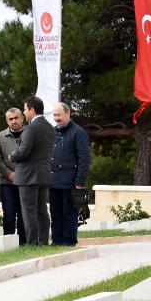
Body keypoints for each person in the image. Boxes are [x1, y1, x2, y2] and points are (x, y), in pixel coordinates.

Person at [9, 96, 56, 246]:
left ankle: (32, 243)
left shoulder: (31, 128)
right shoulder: (50, 127)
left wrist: (11, 156)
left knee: (29, 211)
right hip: (43, 174)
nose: (24, 112)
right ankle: (42, 241)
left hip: (28, 176)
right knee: (42, 210)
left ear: (32, 110)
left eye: (24, 109)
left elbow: (23, 151)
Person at [50, 103, 90, 246]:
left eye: (59, 115)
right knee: (55, 214)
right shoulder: (53, 132)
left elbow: (84, 159)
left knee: (69, 213)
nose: (56, 118)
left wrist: (80, 181)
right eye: (54, 115)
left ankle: (69, 242)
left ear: (68, 113)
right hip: (53, 181)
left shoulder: (79, 133)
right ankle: (56, 241)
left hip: (70, 182)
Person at [0, 108, 27, 245]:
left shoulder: (30, 134)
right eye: (11, 119)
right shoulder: (0, 137)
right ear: (7, 121)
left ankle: (23, 243)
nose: (14, 121)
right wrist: (9, 174)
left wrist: (21, 174)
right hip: (6, 182)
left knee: (23, 214)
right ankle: (8, 243)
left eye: (16, 118)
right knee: (8, 214)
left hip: (26, 181)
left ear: (22, 118)